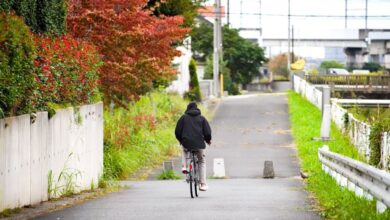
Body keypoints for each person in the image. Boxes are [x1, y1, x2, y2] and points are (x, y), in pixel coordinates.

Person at [175, 102, 212, 191]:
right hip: (199, 144)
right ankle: (202, 184)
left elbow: (177, 131)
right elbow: (207, 132)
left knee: (184, 150)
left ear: (187, 109)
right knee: (201, 161)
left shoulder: (183, 118)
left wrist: (181, 140)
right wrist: (208, 140)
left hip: (186, 142)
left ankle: (184, 166)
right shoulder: (202, 118)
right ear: (197, 109)